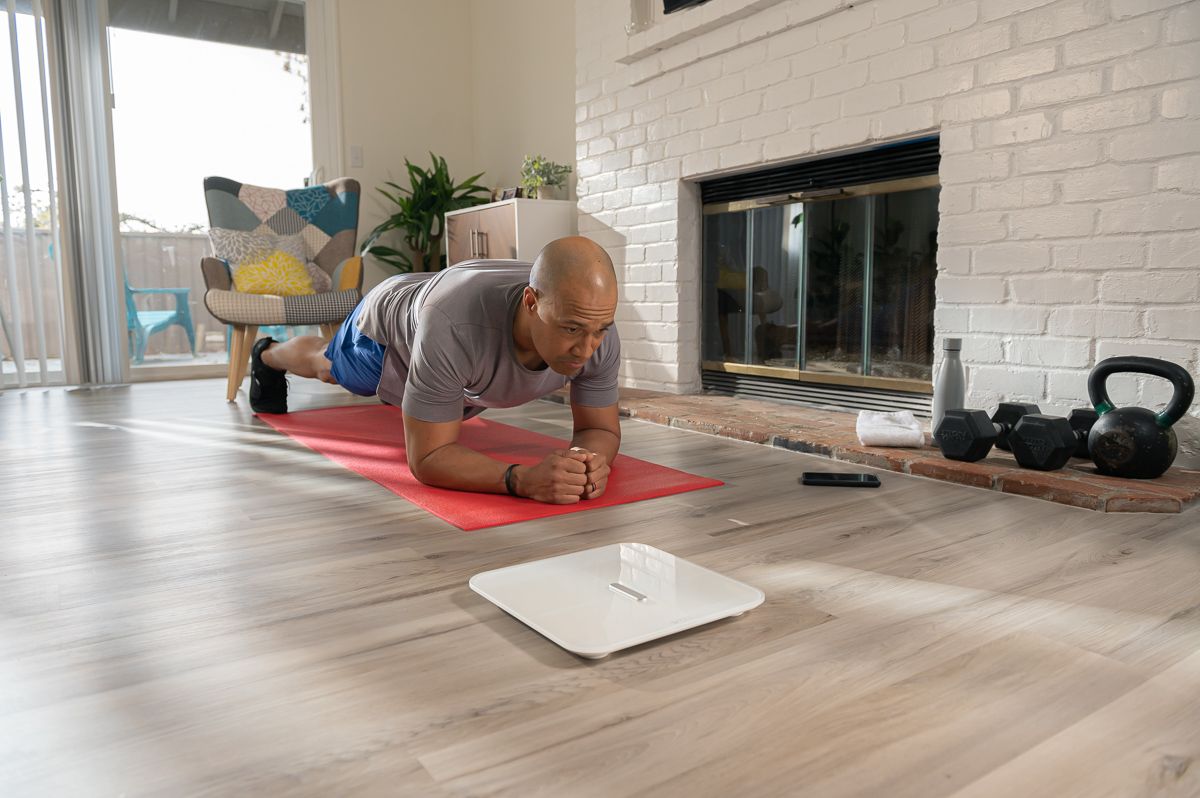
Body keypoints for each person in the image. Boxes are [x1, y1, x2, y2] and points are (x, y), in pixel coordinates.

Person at [249, 236, 621, 506]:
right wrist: (520, 480)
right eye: (571, 329)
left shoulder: (594, 324)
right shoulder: (454, 325)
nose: (587, 349)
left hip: (445, 311)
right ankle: (270, 354)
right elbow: (427, 459)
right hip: (388, 328)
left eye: (599, 330)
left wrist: (586, 464)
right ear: (531, 303)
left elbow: (598, 429)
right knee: (329, 367)